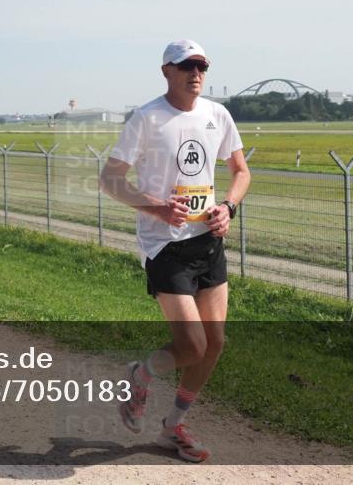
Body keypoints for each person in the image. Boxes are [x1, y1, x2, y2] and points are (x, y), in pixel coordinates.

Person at [99, 39, 250, 463]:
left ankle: (172, 427)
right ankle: (140, 375)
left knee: (214, 343)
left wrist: (228, 207)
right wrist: (156, 208)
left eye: (202, 66)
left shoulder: (217, 115)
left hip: (208, 242)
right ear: (167, 70)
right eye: (186, 66)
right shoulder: (147, 118)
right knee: (192, 345)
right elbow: (109, 179)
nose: (196, 73)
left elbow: (240, 171)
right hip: (165, 245)